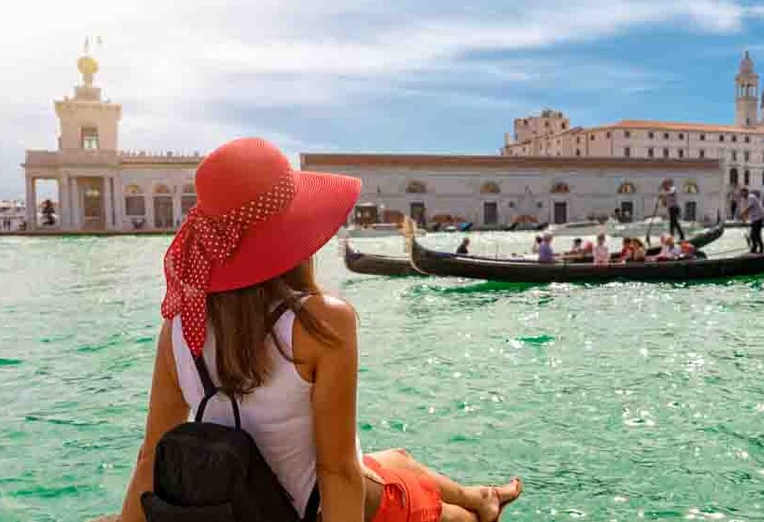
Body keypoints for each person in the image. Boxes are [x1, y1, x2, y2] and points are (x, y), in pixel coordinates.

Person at [119, 138, 521, 522]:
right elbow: (337, 472)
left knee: (399, 460)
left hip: (233, 503)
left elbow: (151, 457)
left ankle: (479, 494)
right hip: (304, 509)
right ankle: (475, 509)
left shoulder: (178, 328)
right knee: (427, 504)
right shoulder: (321, 322)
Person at [739, 188, 764, 254]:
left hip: (759, 217)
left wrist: (743, 213)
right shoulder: (744, 200)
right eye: (741, 193)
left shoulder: (751, 197)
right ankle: (754, 248)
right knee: (752, 235)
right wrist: (744, 218)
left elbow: (750, 207)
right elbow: (746, 210)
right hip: (754, 219)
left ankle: (761, 248)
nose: (742, 194)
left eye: (743, 192)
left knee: (756, 234)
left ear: (747, 192)